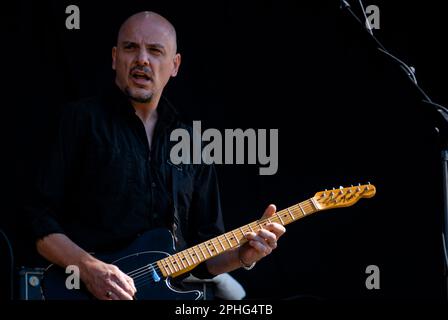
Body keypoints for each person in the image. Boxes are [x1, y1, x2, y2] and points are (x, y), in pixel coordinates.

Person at [25, 11, 285, 300]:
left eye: (155, 50)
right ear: (114, 57)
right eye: (130, 48)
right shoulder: (79, 121)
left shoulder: (193, 143)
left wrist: (242, 255)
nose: (142, 59)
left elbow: (204, 252)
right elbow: (39, 221)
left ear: (175, 65)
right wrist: (89, 269)